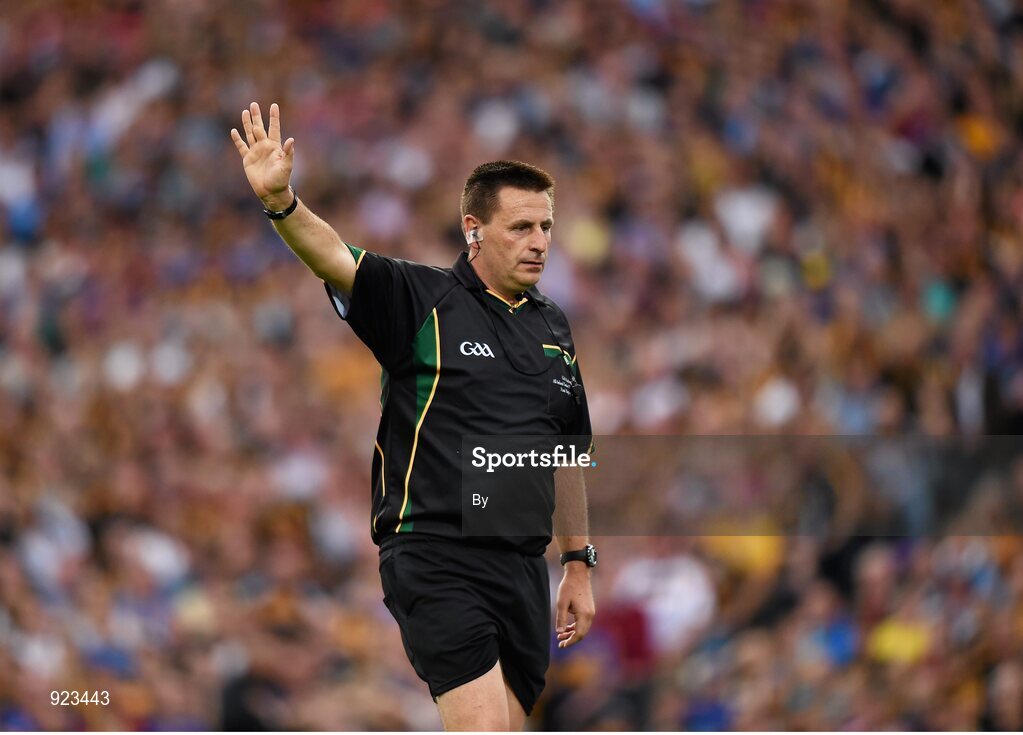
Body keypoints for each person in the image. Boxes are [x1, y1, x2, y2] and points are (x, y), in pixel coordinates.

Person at [230, 102, 596, 731]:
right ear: (473, 230)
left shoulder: (553, 327)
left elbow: (564, 450)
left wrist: (578, 563)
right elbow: (334, 258)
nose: (539, 242)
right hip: (435, 553)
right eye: (521, 227)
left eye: (546, 226)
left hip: (522, 570)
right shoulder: (422, 299)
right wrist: (282, 202)